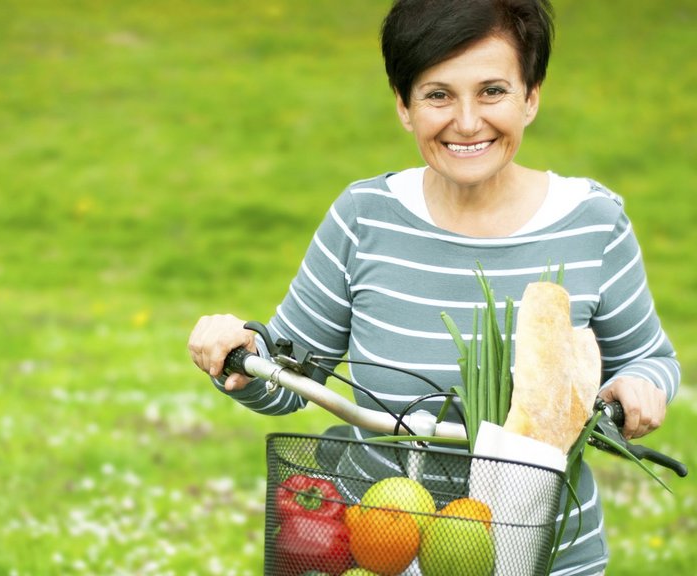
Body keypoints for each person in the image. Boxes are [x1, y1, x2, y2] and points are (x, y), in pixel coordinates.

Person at [188, 0, 680, 574]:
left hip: (545, 556)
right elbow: (291, 378)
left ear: (532, 96)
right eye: (438, 95)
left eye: (493, 91)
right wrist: (236, 354)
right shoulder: (364, 217)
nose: (467, 122)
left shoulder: (591, 222)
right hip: (381, 551)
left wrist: (642, 386)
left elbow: (650, 358)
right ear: (404, 106)